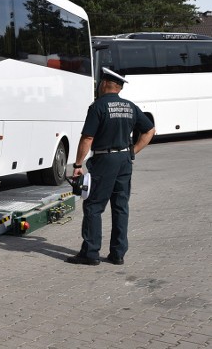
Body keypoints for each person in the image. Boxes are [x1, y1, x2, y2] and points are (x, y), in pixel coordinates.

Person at [65, 67, 155, 266]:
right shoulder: (130, 107)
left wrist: (78, 164)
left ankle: (90, 253)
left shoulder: (98, 106)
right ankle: (118, 254)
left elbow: (88, 137)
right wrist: (133, 151)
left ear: (105, 84)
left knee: (94, 206)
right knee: (121, 207)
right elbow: (150, 130)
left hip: (104, 161)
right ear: (119, 88)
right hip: (124, 161)